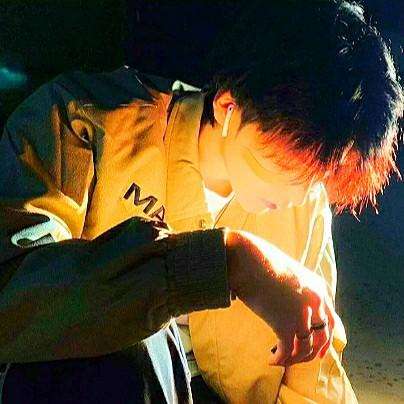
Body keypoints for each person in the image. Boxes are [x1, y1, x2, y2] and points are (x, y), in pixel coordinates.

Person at [0, 1, 402, 403]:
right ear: (229, 108)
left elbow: (314, 371)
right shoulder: (82, 122)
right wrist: (223, 261)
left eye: (315, 176)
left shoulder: (303, 202)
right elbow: (17, 298)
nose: (296, 194)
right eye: (283, 164)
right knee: (130, 338)